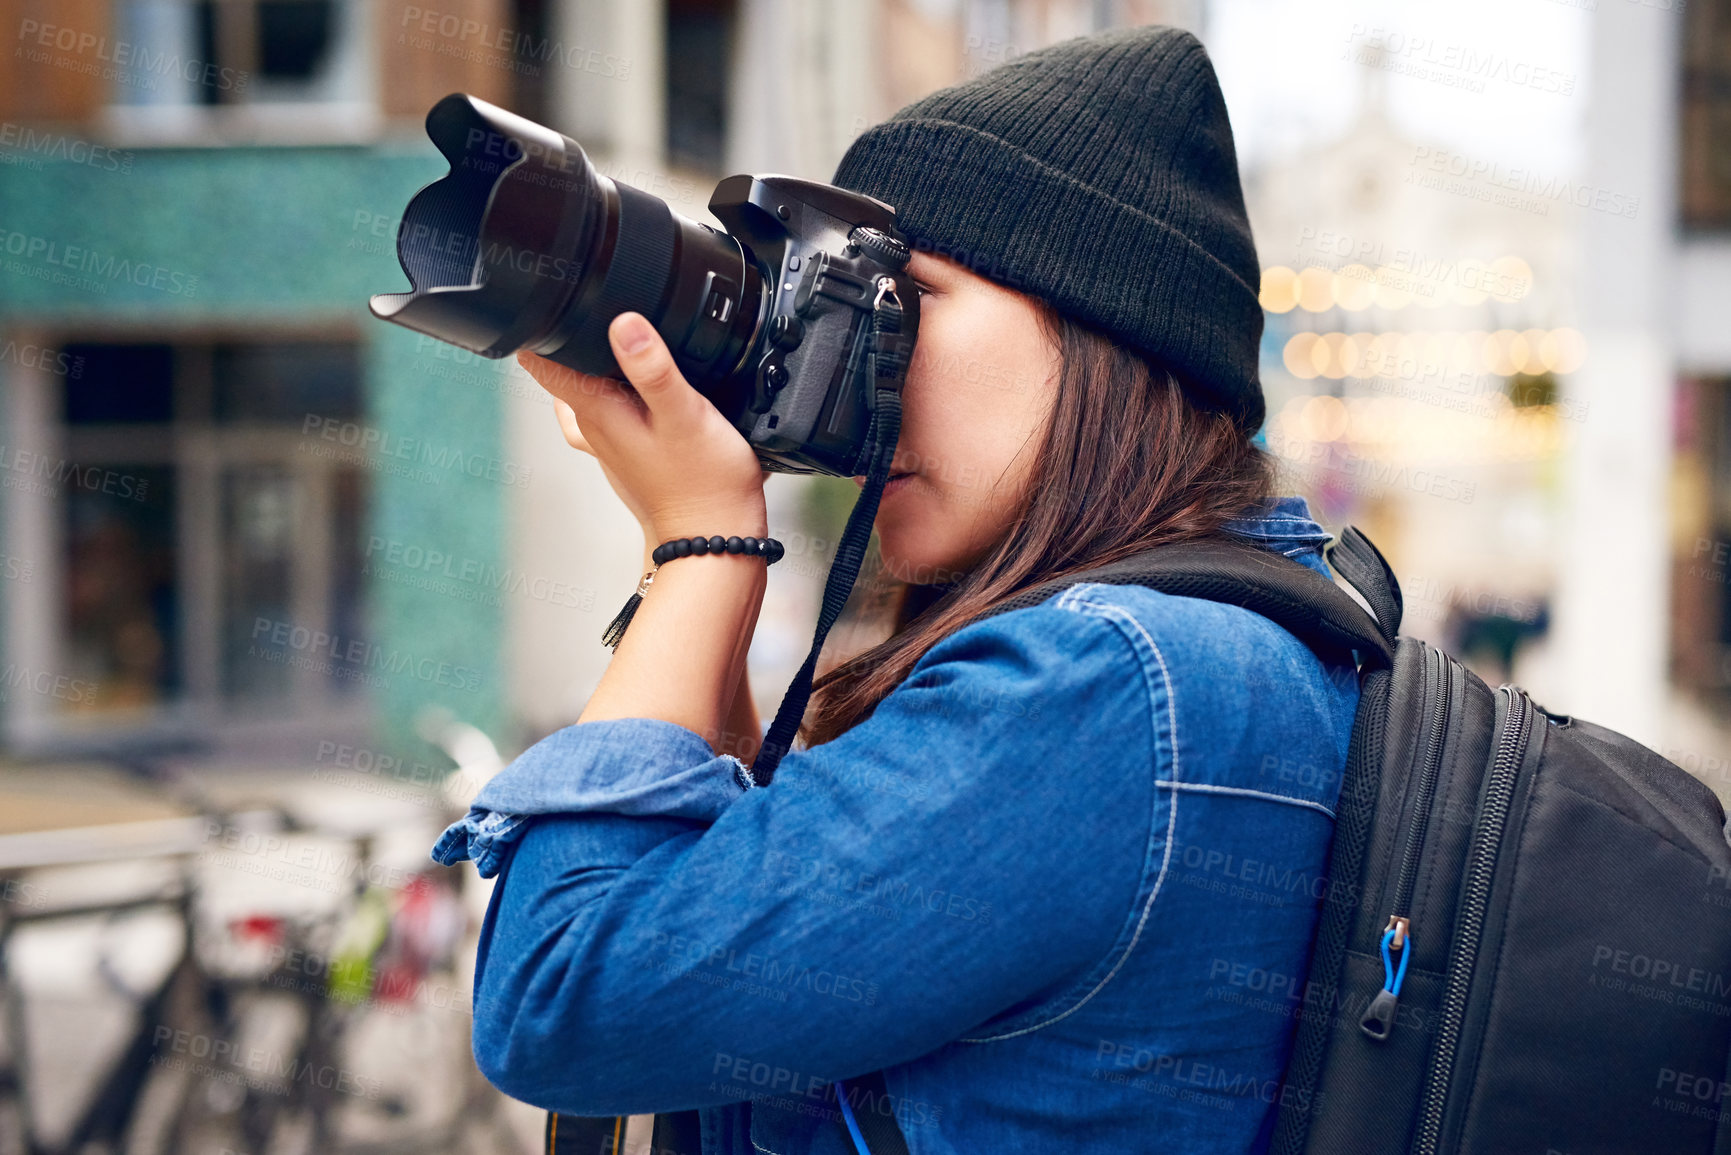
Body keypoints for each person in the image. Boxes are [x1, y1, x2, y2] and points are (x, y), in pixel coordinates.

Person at [433, 24, 1360, 1155]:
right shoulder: (1241, 651)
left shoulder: (1104, 687)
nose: (871, 365)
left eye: (906, 299)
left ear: (1099, 326)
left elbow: (564, 1002)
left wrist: (699, 546)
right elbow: (742, 1045)